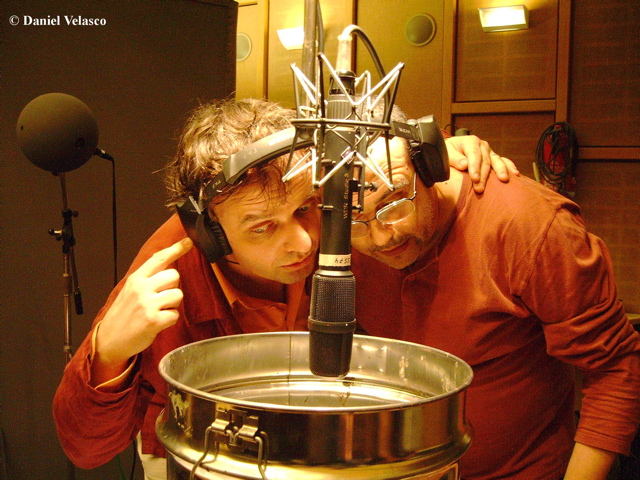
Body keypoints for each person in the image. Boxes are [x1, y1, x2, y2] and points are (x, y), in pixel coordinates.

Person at [53, 97, 515, 479]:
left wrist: (435, 162)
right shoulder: (170, 271)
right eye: (261, 227)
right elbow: (86, 449)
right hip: (208, 456)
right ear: (208, 234)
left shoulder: (338, 222)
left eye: (306, 207)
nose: (302, 242)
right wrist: (109, 352)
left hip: (326, 446)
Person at [349, 107, 640, 480]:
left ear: (431, 165)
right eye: (356, 221)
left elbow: (614, 368)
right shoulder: (336, 238)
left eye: (393, 204)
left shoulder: (527, 224)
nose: (381, 237)